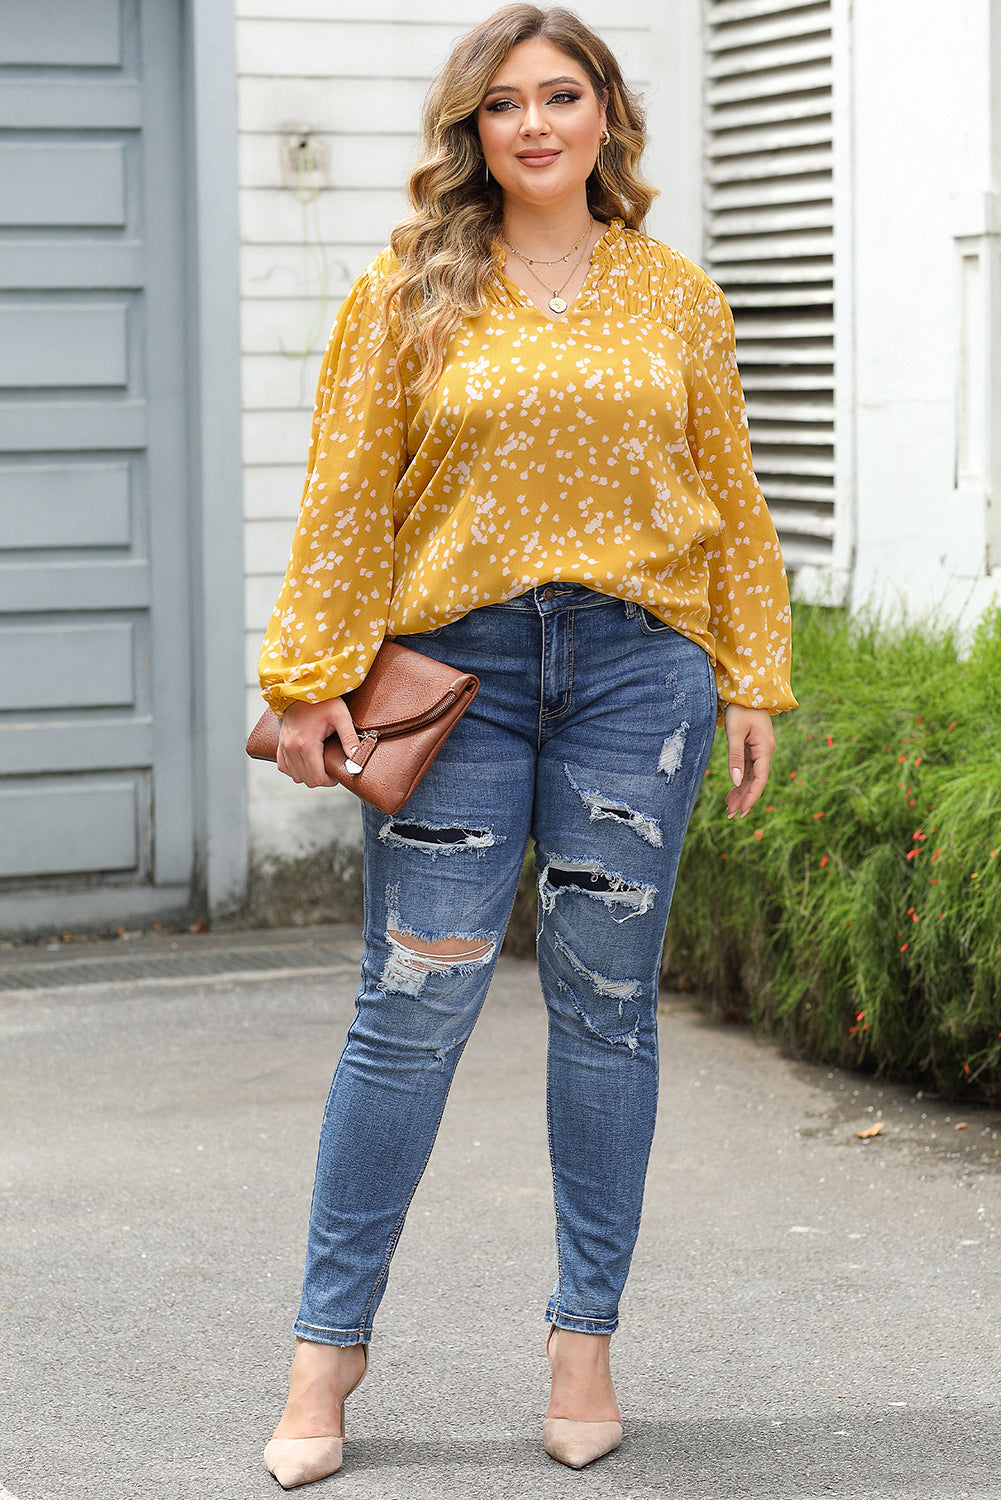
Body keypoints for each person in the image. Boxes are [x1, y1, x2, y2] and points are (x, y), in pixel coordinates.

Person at [258, 3, 796, 1485]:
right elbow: (345, 493)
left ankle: (583, 1342)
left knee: (606, 1008)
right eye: (506, 104)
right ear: (472, 132)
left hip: (638, 673)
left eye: (564, 95)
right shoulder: (410, 288)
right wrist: (309, 676)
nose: (537, 123)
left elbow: (731, 494)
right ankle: (326, 1355)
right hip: (460, 670)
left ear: (608, 118)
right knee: (411, 1006)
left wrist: (749, 673)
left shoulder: (677, 299)